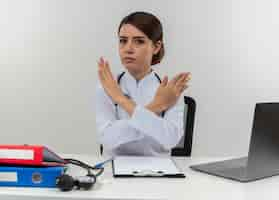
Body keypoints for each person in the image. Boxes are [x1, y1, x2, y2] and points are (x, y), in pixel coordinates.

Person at [95, 11, 191, 156]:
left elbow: (171, 139)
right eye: (123, 40)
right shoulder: (108, 85)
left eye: (139, 41)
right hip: (113, 171)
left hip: (161, 172)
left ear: (156, 47)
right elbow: (107, 138)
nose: (128, 49)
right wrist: (157, 106)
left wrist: (121, 100)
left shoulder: (170, 90)